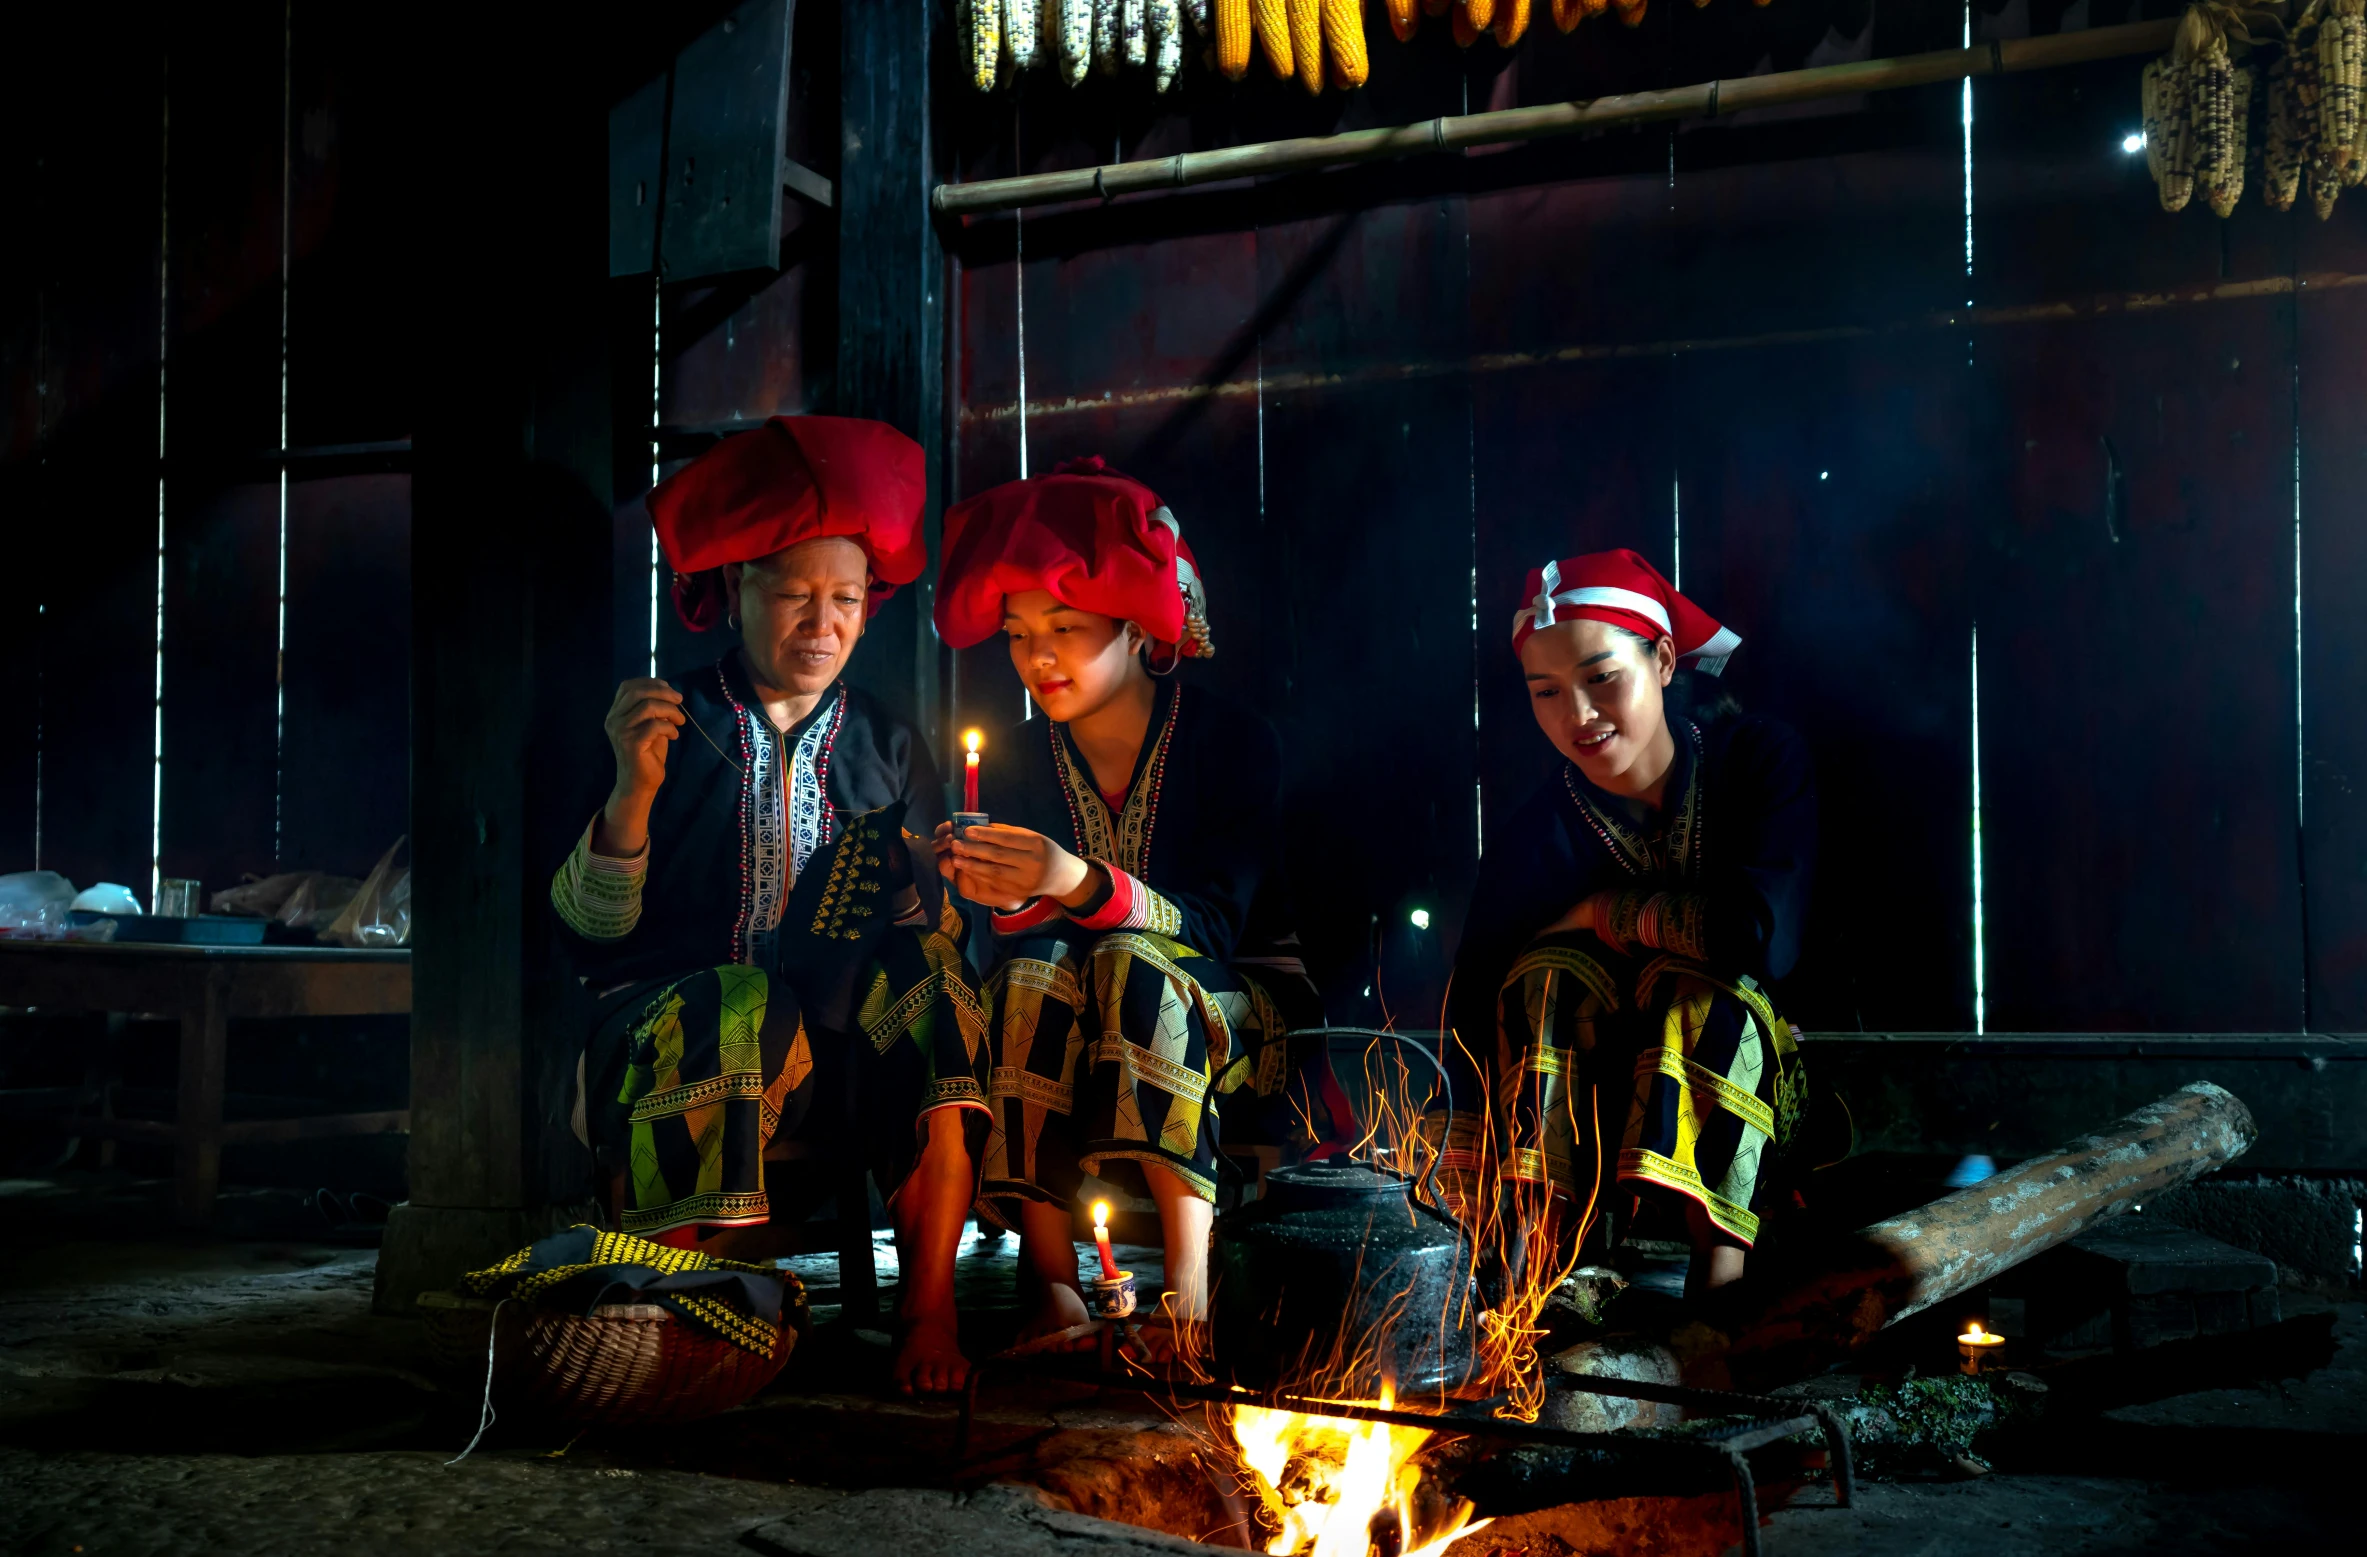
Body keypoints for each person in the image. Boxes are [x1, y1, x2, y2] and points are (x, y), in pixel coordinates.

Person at [549, 415, 988, 1394]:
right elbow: (590, 929)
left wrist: (934, 900)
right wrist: (630, 792)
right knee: (737, 1004)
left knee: (935, 989)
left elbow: (943, 930)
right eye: (793, 596)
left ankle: (929, 1310)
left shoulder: (889, 743)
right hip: (681, 1031)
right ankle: (690, 1311)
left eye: (844, 599)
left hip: (841, 1048)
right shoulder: (664, 722)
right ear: (732, 590)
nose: (821, 624)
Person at [931, 458, 1322, 1341]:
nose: (1037, 655)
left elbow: (1217, 921)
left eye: (1065, 626)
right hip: (1072, 1007)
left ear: (1139, 629)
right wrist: (992, 890)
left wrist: (1070, 879)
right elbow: (1020, 941)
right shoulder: (1028, 760)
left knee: (1129, 961)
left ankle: (1188, 1288)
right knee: (1028, 973)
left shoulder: (1232, 743)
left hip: (1241, 1013)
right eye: (1018, 631)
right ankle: (1051, 1282)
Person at [1439, 549, 1815, 1299]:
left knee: (1701, 991)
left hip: (1758, 1065)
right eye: (1544, 691)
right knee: (1543, 975)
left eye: (1600, 678)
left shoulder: (1758, 761)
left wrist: (1598, 913)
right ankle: (1533, 1276)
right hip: (1596, 1090)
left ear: (1665, 660)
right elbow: (1477, 999)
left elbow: (1757, 938)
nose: (1575, 714)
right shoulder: (1537, 832)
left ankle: (1719, 1284)